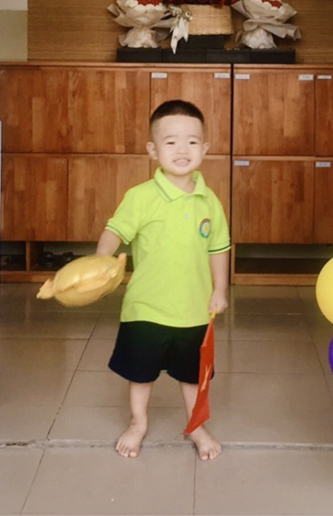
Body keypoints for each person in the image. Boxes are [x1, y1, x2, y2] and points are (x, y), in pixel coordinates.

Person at [94, 99, 230, 461]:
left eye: (192, 141)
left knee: (192, 377)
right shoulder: (141, 197)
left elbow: (219, 248)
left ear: (205, 148)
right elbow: (114, 231)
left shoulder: (210, 201)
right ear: (153, 150)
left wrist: (219, 289)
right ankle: (138, 423)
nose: (182, 149)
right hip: (146, 308)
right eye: (171, 142)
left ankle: (196, 426)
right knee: (141, 374)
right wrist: (99, 262)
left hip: (194, 309)